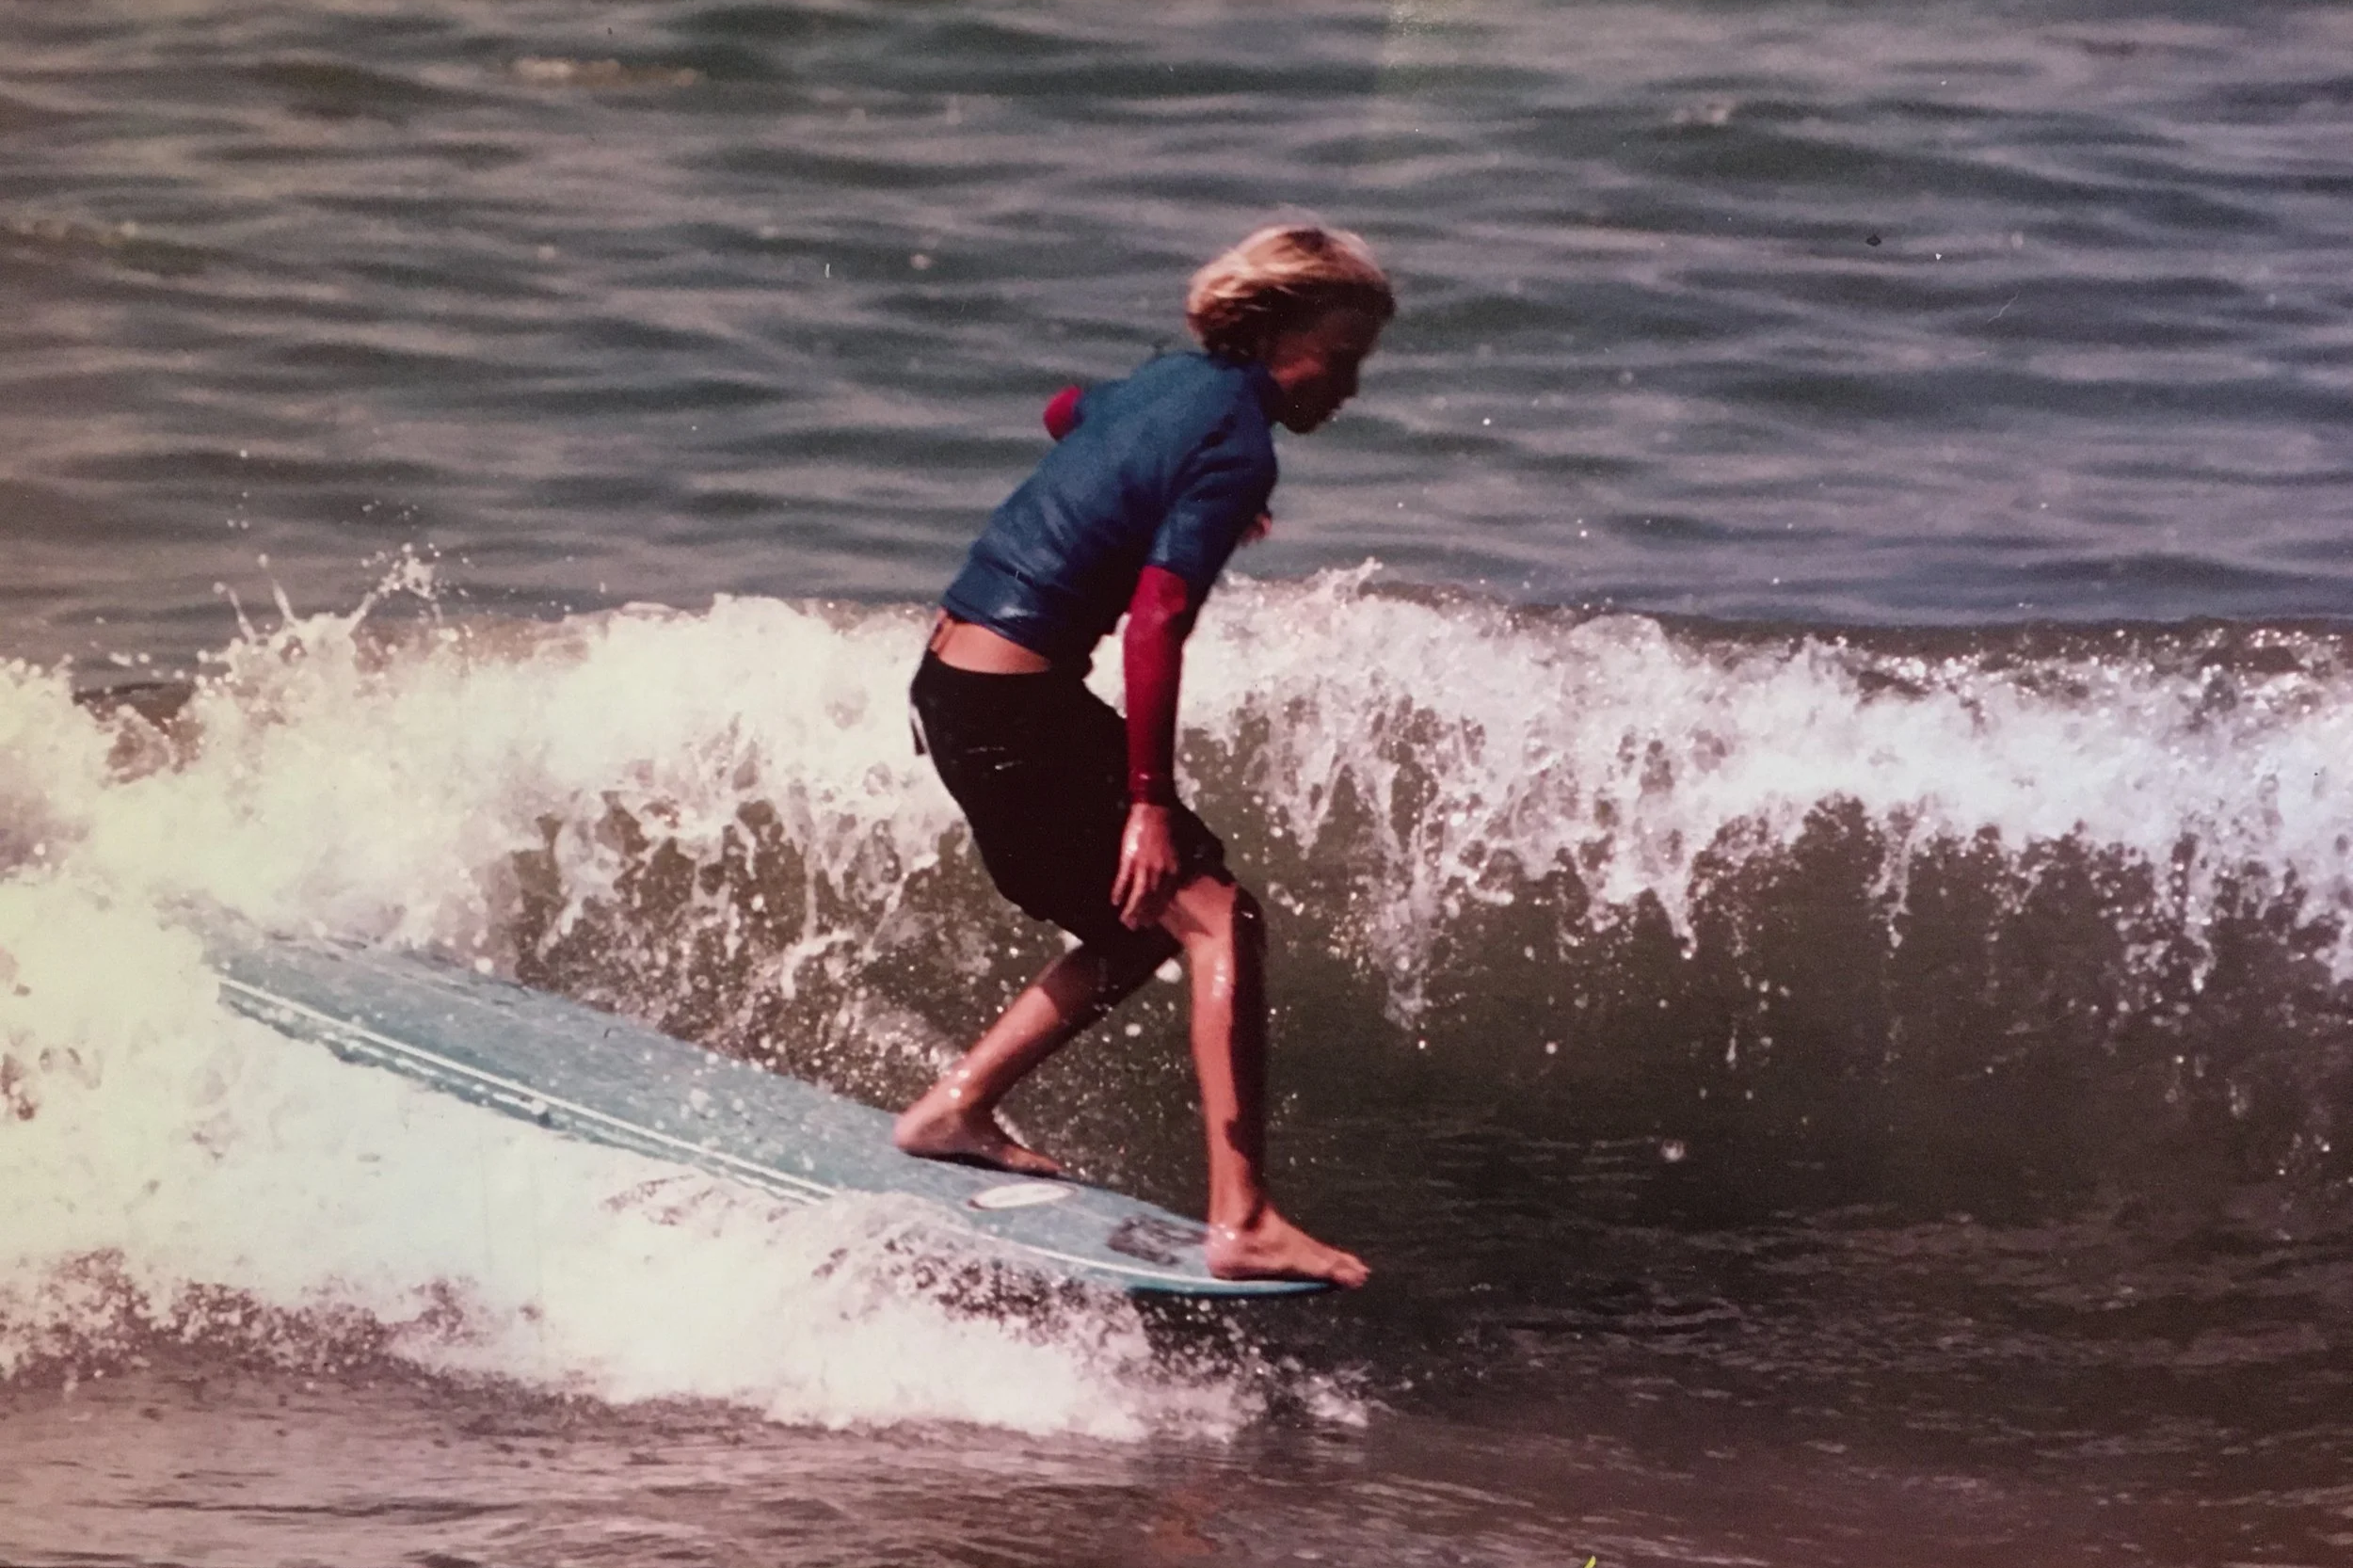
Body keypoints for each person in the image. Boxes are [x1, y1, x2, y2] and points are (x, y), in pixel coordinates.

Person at [895, 223, 1390, 1289]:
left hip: (951, 684)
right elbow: (1157, 624)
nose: (1349, 387)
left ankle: (957, 1107)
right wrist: (1147, 799)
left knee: (1138, 925)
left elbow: (1069, 414)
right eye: (1338, 358)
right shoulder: (1237, 440)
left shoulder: (1173, 383)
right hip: (1014, 706)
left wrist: (1157, 483)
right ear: (1275, 332)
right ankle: (1242, 1216)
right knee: (1220, 916)